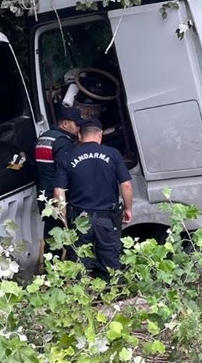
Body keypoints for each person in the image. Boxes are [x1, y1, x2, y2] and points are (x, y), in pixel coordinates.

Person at [53, 119, 134, 279]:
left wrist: (64, 220)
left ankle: (81, 299)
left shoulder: (67, 157)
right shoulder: (113, 154)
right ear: (100, 135)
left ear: (79, 135)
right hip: (107, 218)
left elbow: (58, 191)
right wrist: (128, 208)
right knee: (111, 263)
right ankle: (112, 298)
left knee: (79, 263)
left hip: (80, 219)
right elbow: (126, 185)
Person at [34, 106, 81, 256]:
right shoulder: (63, 141)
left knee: (51, 233)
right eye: (77, 124)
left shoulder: (44, 137)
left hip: (44, 193)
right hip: (58, 195)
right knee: (63, 234)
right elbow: (66, 170)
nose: (79, 128)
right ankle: (61, 271)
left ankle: (50, 268)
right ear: (65, 124)